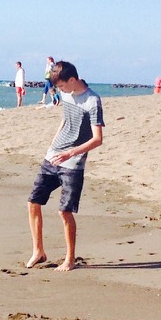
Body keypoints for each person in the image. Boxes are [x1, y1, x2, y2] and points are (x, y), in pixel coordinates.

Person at [26, 61, 104, 272]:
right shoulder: (66, 95)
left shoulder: (92, 100)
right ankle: (38, 252)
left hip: (73, 163)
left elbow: (98, 139)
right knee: (33, 202)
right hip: (53, 156)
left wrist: (71, 152)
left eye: (62, 87)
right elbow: (65, 120)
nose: (60, 91)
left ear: (72, 80)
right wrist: (53, 144)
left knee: (64, 211)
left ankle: (70, 259)